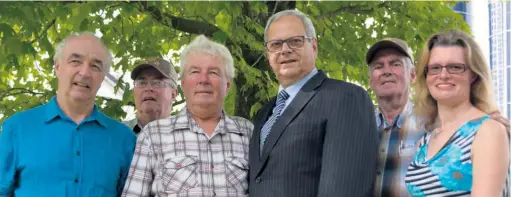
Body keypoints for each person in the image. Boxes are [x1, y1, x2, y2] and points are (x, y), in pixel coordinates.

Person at [248, 9, 378, 197]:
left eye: (295, 41)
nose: (285, 50)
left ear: (314, 46)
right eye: (276, 44)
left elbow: (345, 189)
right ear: (268, 55)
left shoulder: (345, 98)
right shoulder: (264, 113)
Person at [0, 32, 136, 196]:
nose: (85, 72)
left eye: (95, 66)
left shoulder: (124, 139)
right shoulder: (17, 129)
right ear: (57, 67)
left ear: (102, 77)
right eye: (75, 61)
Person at [122, 35, 253, 197]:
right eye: (195, 72)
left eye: (213, 72)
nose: (203, 80)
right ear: (183, 84)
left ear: (227, 85)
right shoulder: (153, 135)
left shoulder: (247, 132)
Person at [405, 29, 510, 196]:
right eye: (435, 68)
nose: (444, 75)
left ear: (473, 75)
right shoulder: (426, 141)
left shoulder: (488, 131)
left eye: (455, 67)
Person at [366, 38, 424, 197]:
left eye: (395, 64)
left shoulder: (433, 124)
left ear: (412, 75)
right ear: (370, 81)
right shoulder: (357, 126)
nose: (386, 71)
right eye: (378, 66)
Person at [123, 57, 178, 134]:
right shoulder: (116, 134)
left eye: (157, 83)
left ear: (173, 94)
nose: (148, 88)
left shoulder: (188, 138)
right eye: (142, 83)